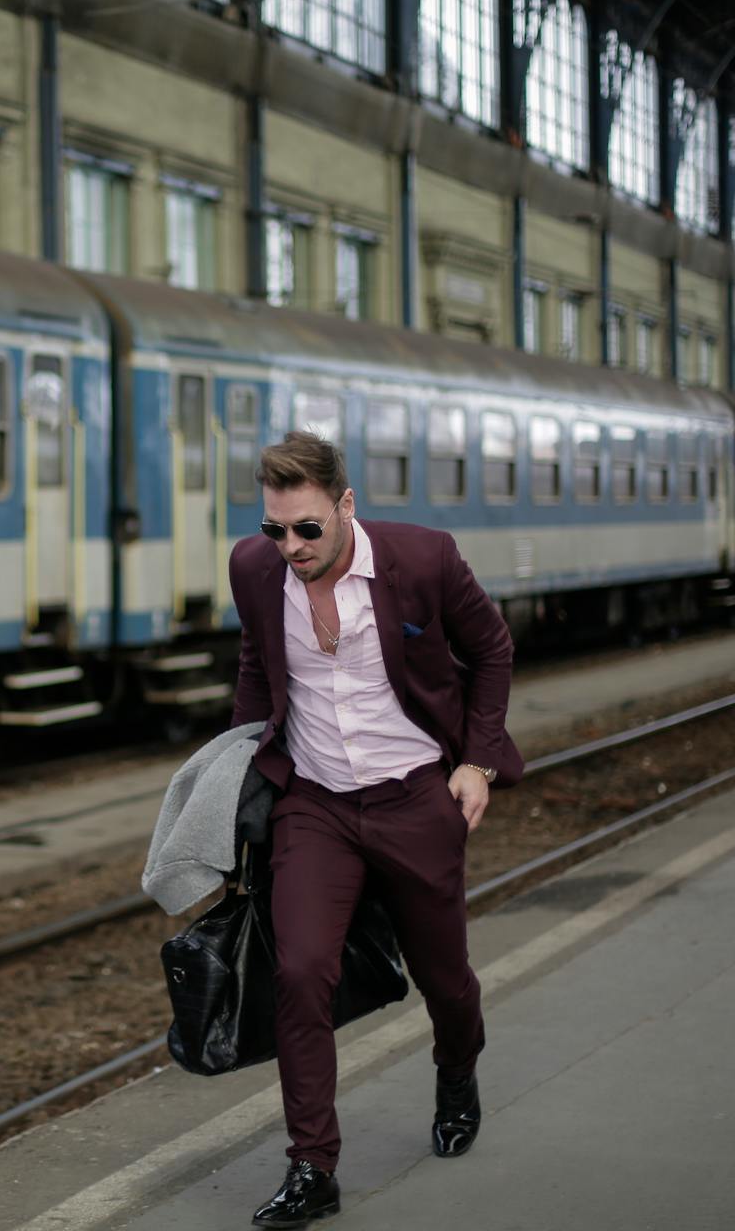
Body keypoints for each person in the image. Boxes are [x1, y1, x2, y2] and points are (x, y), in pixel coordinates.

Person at [230, 431, 522, 1228]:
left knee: (445, 977)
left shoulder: (423, 560)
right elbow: (258, 666)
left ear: (346, 506)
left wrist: (478, 764)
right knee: (299, 973)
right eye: (274, 530)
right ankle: (312, 1167)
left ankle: (457, 1071)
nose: (289, 547)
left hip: (414, 798)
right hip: (315, 805)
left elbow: (491, 650)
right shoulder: (253, 570)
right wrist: (244, 779)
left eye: (306, 530)